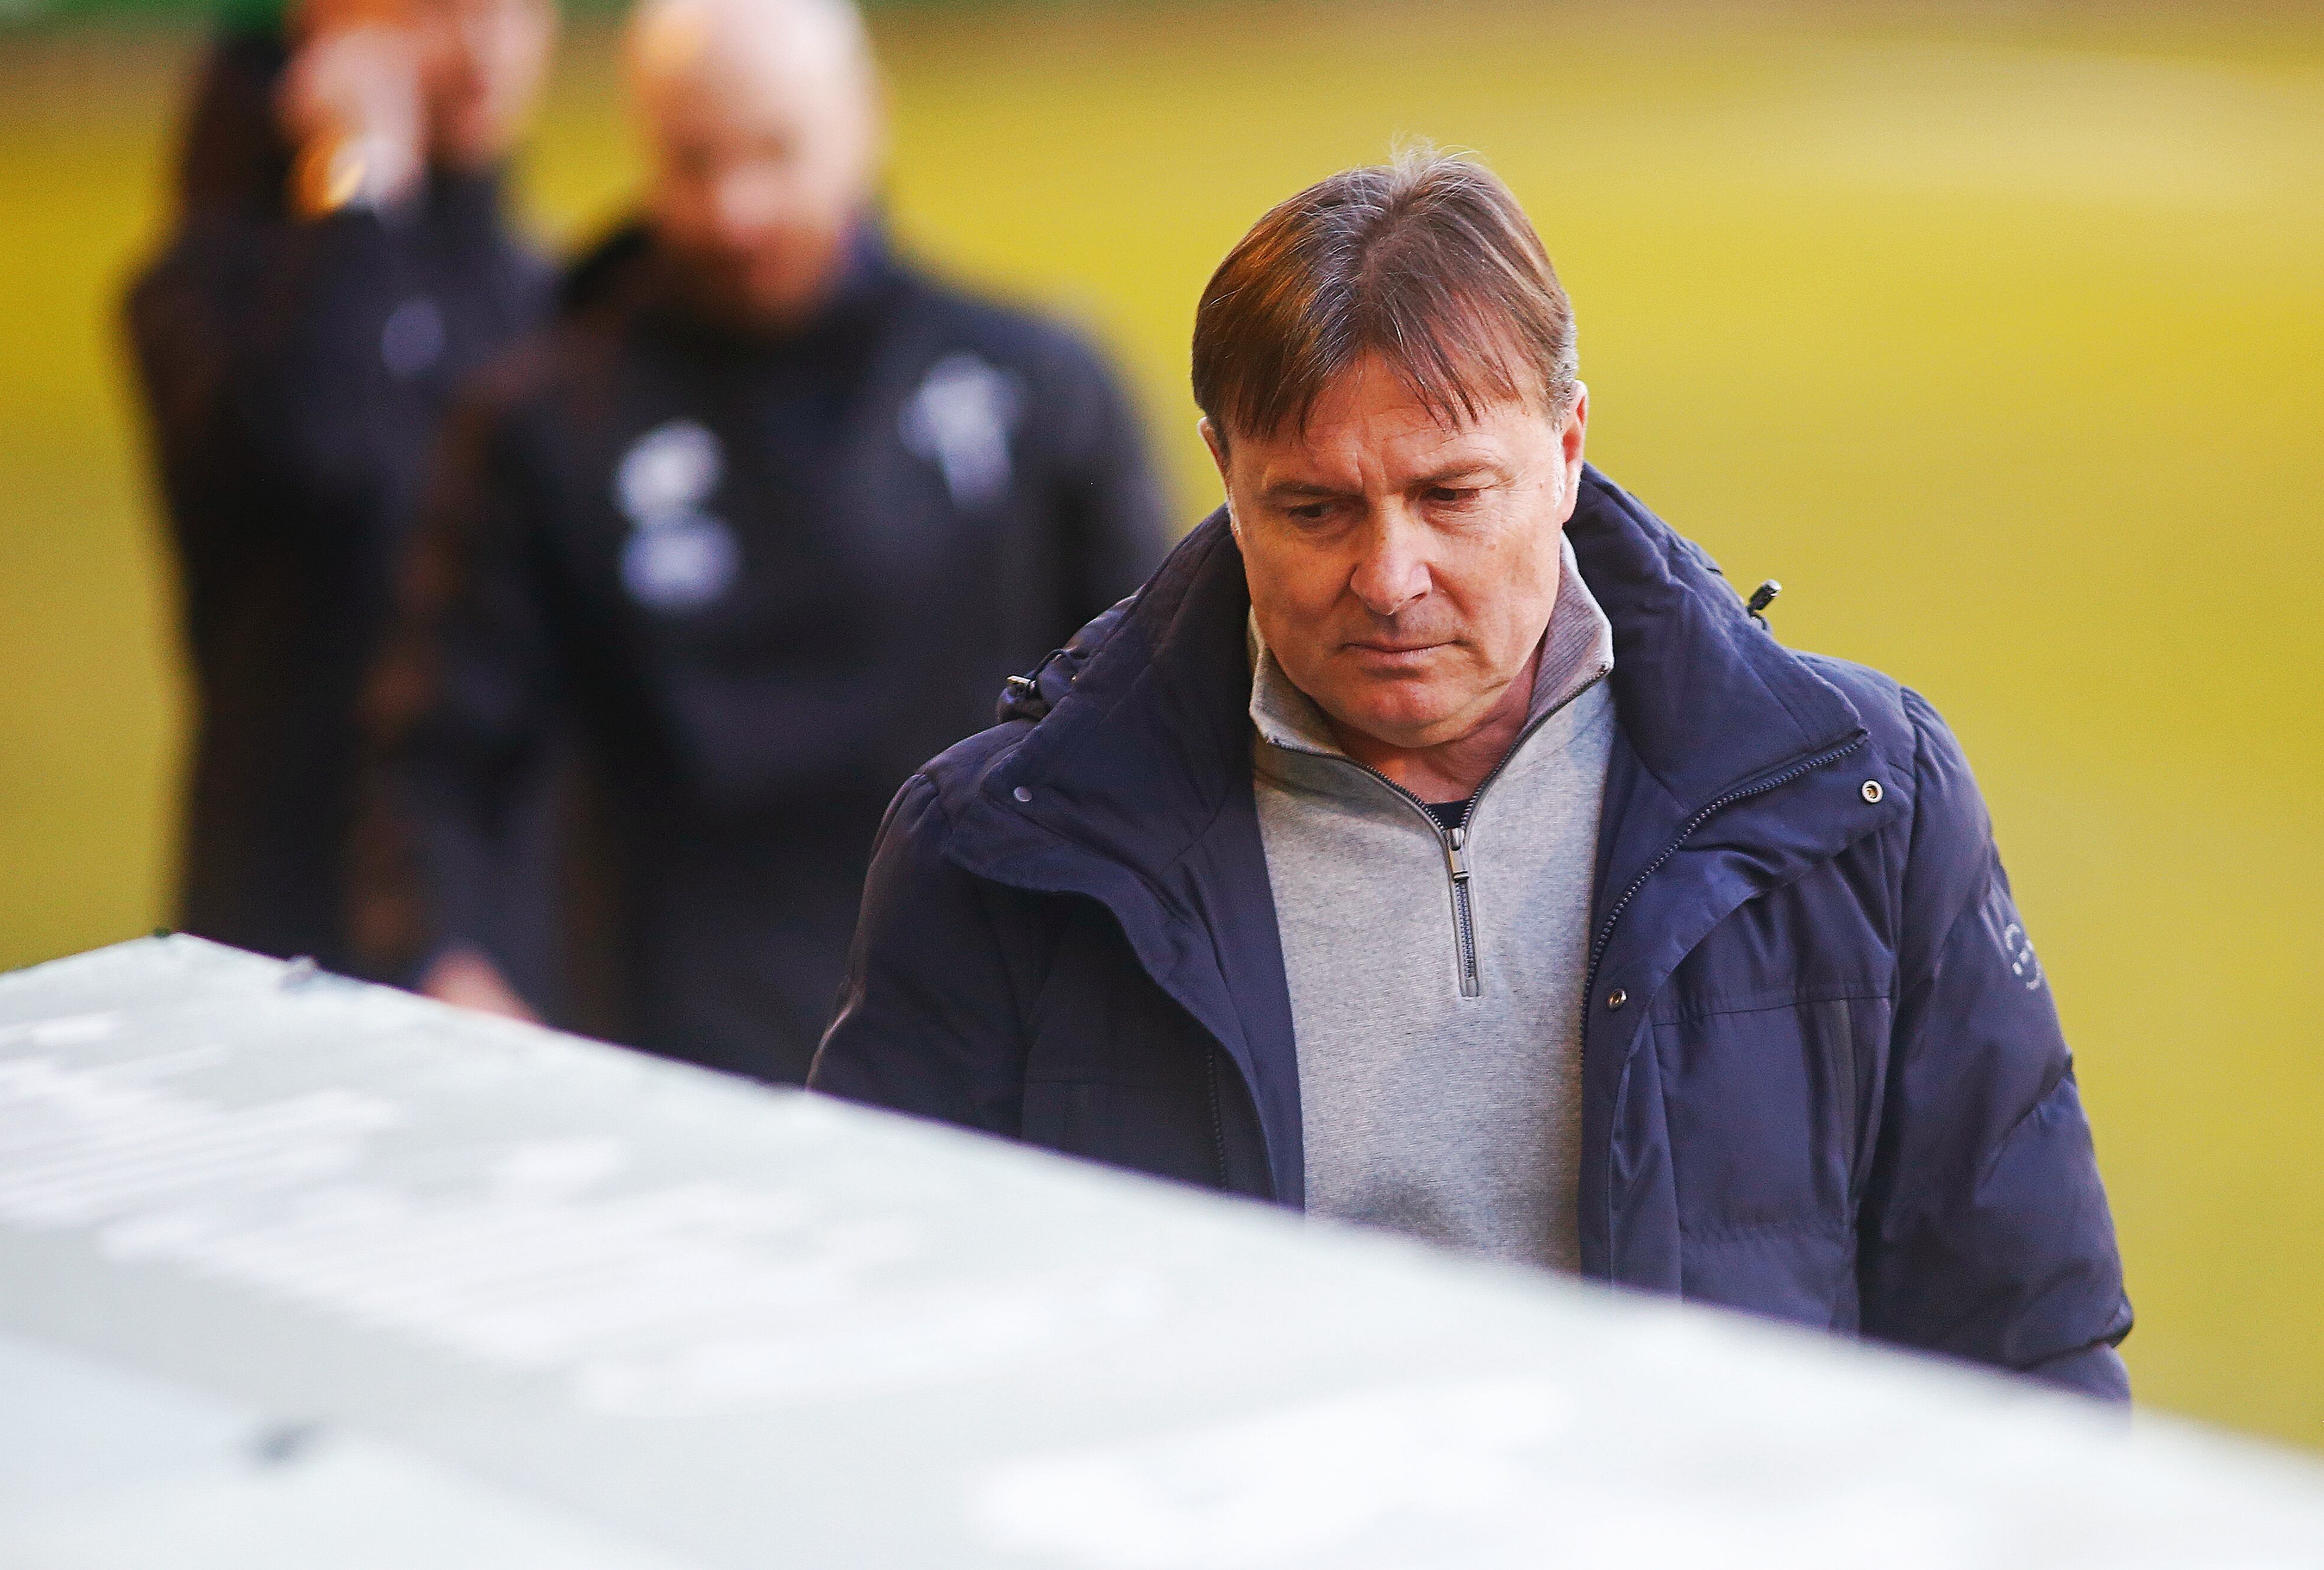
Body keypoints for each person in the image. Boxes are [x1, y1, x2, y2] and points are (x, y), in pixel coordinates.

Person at [811, 152, 2134, 1398]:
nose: (1387, 581)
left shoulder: (1862, 803)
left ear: (1564, 451)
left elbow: (2024, 1342)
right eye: (1313, 509)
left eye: (1449, 496)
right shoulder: (996, 852)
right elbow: (877, 1363)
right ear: (1220, 470)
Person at [354, 0, 1170, 1081]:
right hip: (674, 1059)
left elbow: (1166, 712)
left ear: (866, 121)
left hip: (997, 1041)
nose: (737, 208)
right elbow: (438, 755)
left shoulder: (1038, 385)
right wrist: (448, 960)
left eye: (776, 151)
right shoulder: (543, 423)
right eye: (693, 162)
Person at [124, 0, 560, 997]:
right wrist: (355, 174)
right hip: (288, 921)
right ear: (326, 18)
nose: (487, 46)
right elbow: (316, 451)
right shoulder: (213, 285)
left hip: (511, 933)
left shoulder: (540, 287)